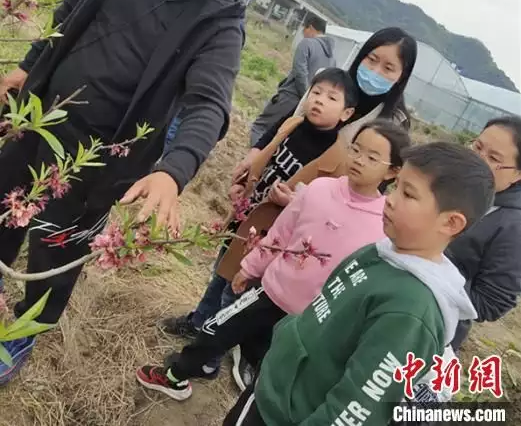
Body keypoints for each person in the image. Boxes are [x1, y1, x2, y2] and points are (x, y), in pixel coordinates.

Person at [0, 0, 254, 384]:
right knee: (2, 209)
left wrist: (172, 172)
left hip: (101, 161)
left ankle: (19, 338)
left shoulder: (220, 23)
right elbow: (72, 10)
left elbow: (209, 104)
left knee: (58, 254)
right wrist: (29, 69)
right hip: (39, 122)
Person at [221, 142, 495, 425]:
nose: (390, 199)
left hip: (285, 414)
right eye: (396, 187)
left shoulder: (410, 311)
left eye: (409, 194)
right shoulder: (380, 251)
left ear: (451, 223)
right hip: (279, 386)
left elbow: (357, 407)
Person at [135, 120, 411, 401]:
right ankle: (177, 376)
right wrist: (250, 266)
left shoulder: (381, 227)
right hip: (268, 291)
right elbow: (282, 233)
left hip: (307, 320)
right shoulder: (319, 189)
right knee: (215, 330)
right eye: (356, 149)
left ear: (393, 171)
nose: (359, 160)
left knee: (269, 364)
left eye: (372, 157)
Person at [159, 68, 357, 381]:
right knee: (220, 274)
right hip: (246, 216)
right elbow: (263, 158)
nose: (319, 100)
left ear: (347, 113)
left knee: (235, 293)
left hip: (269, 237)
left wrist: (294, 202)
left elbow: (325, 215)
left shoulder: (339, 163)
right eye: (316, 92)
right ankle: (199, 322)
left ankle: (210, 355)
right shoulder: (292, 124)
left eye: (331, 98)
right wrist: (242, 183)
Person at [236, 27, 417, 185]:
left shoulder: (394, 122)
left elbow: (377, 183)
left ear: (402, 76)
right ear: (362, 56)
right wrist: (256, 152)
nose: (375, 71)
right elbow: (290, 120)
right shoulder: (330, 84)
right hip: (273, 175)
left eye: (388, 68)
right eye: (372, 59)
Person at [447, 116, 521, 350]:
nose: (477, 160)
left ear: (518, 174)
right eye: (477, 147)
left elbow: (490, 303)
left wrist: (431, 265)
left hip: (434, 330)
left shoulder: (513, 225)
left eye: (494, 159)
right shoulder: (453, 186)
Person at [249, 16, 336, 146]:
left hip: (291, 97)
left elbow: (300, 71)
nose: (303, 33)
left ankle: (252, 162)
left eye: (303, 29)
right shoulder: (332, 59)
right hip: (307, 108)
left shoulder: (307, 43)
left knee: (260, 127)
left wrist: (305, 96)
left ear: (310, 27)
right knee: (282, 137)